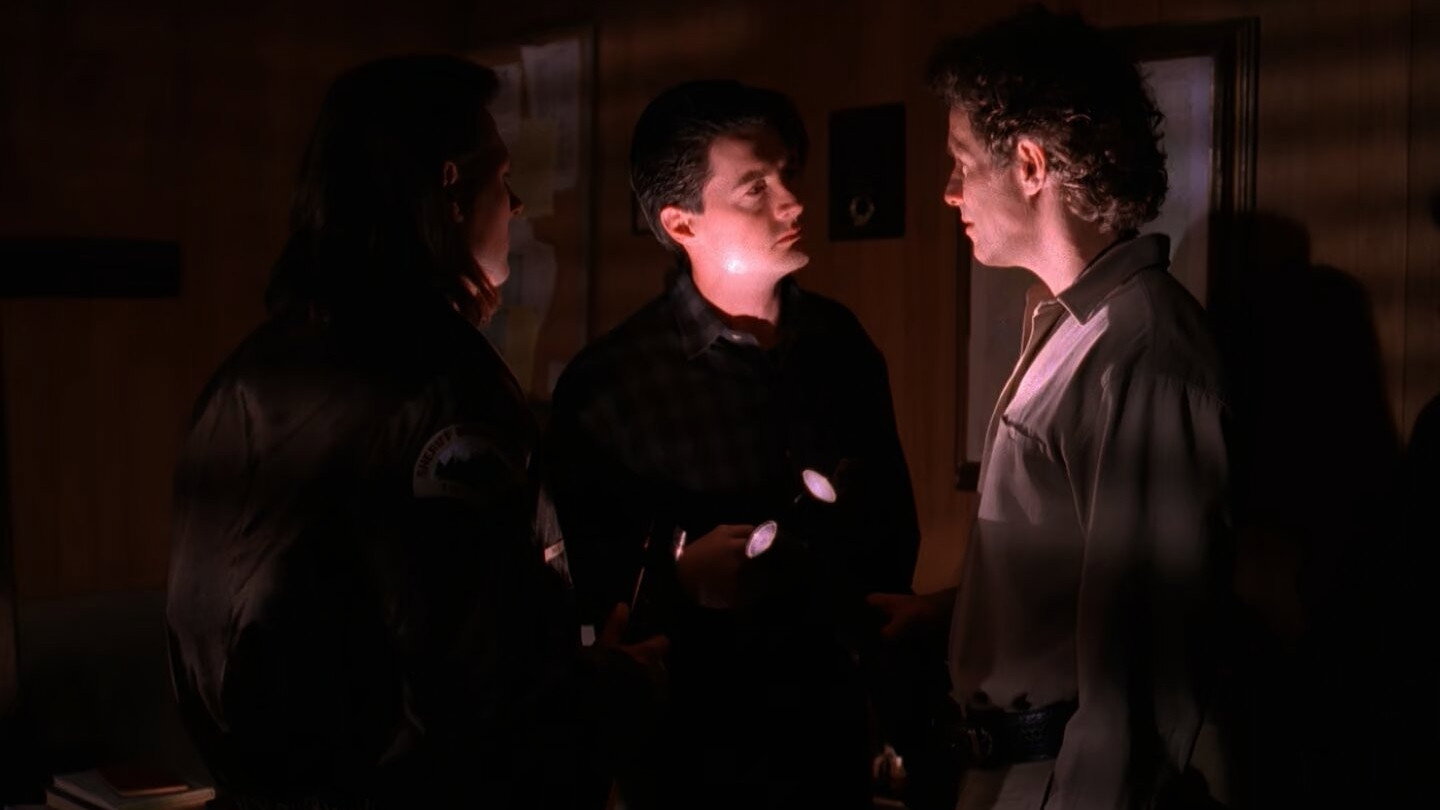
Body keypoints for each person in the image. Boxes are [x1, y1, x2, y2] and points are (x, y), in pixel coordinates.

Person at [165, 55, 639, 810]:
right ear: (450, 189)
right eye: (502, 177)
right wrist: (614, 687)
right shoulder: (444, 387)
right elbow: (482, 684)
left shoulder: (250, 372)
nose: (516, 205)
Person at [870, 9, 1232, 808]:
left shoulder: (1142, 355)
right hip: (1002, 772)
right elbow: (1075, 570)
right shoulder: (1071, 328)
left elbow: (1140, 676)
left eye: (962, 161)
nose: (949, 191)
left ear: (1030, 164)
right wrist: (956, 615)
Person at [544, 80, 934, 809]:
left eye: (789, 173)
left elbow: (892, 534)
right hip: (691, 758)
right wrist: (679, 580)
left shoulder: (838, 344)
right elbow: (588, 607)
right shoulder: (613, 384)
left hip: (833, 741)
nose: (793, 202)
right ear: (680, 221)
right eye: (756, 187)